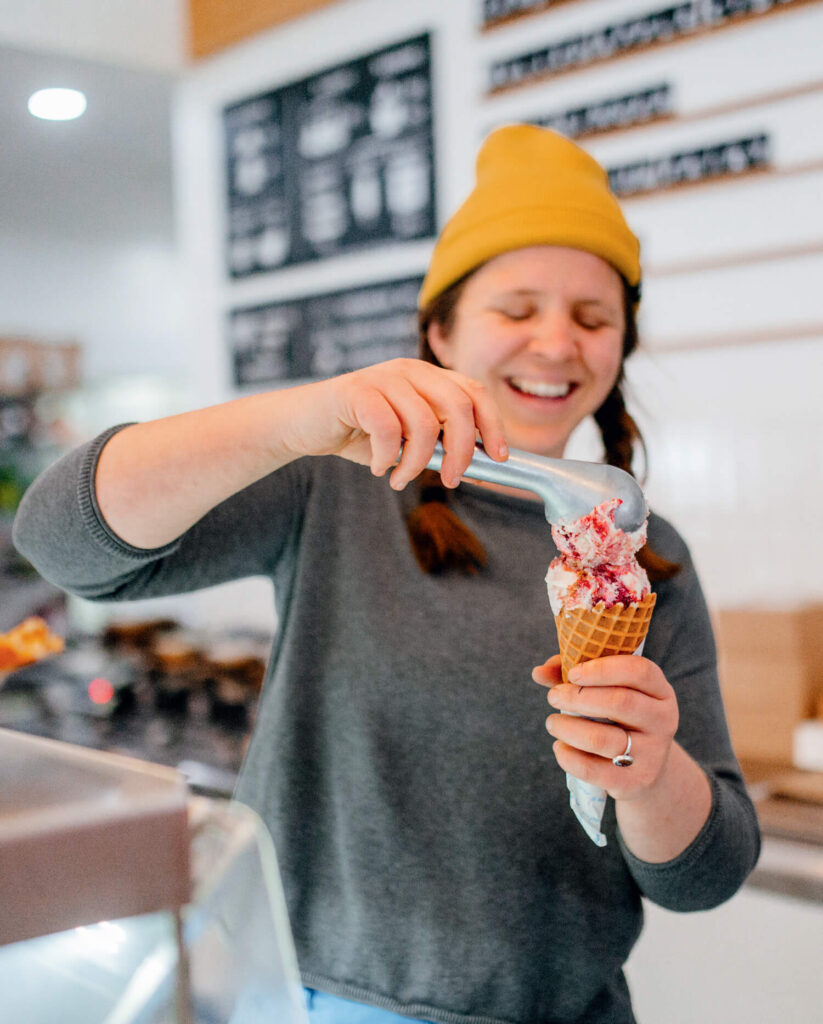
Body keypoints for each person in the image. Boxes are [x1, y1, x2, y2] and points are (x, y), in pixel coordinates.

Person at [13, 125, 760, 1024]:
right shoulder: (342, 486)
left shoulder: (647, 558)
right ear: (439, 329)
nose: (557, 343)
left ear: (617, 350)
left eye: (593, 318)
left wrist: (647, 773)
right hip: (300, 996)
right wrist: (303, 416)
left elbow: (707, 876)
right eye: (517, 308)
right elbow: (61, 542)